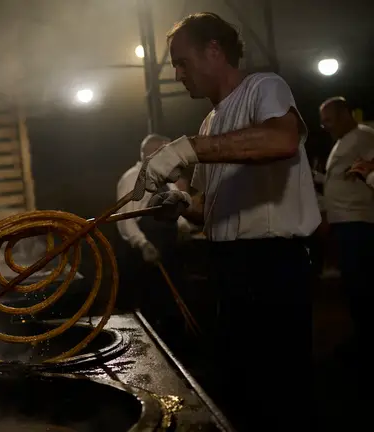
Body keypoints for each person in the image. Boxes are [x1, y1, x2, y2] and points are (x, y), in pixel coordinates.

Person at [138, 12, 321, 430]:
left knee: (281, 388)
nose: (178, 73)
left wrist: (185, 150)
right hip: (228, 264)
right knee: (242, 384)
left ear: (215, 51)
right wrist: (179, 201)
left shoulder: (264, 87)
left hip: (271, 263)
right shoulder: (210, 120)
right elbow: (209, 205)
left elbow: (282, 138)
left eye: (183, 62)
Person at [115, 134, 191, 334]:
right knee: (148, 305)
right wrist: (143, 244)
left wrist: (182, 225)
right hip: (144, 255)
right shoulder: (133, 178)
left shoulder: (167, 178)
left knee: (170, 303)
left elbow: (175, 207)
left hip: (168, 251)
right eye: (167, 151)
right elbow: (125, 219)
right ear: (153, 153)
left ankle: (175, 348)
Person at [317, 97, 374, 355]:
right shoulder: (343, 141)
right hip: (345, 222)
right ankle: (360, 335)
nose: (325, 126)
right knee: (353, 283)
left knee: (361, 283)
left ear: (345, 115)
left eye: (328, 120)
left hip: (358, 222)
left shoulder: (363, 136)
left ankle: (365, 341)